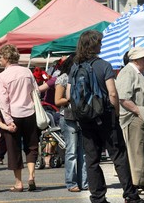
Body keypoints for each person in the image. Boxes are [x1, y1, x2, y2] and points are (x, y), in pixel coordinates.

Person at [66, 30, 144, 203]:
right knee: (119, 156)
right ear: (94, 45)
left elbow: (68, 93)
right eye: (99, 43)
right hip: (105, 116)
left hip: (85, 118)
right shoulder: (104, 65)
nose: (101, 45)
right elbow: (113, 94)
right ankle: (130, 195)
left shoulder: (74, 67)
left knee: (92, 159)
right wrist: (115, 114)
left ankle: (98, 197)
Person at [116, 46, 144, 195]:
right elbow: (123, 98)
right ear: (135, 59)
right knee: (137, 152)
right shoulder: (127, 73)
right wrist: (138, 111)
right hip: (135, 117)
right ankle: (137, 183)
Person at [0, 44, 38, 192]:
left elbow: (3, 101)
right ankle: (31, 176)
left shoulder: (2, 76)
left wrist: (8, 121)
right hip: (29, 112)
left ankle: (18, 182)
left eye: (0, 57)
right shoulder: (27, 71)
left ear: (6, 58)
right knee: (31, 145)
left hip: (13, 114)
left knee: (14, 149)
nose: (0, 59)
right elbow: (36, 91)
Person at [54, 54, 88, 192]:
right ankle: (72, 182)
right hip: (68, 117)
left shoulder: (83, 76)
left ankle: (84, 182)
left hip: (81, 116)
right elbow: (57, 101)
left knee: (83, 152)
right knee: (72, 151)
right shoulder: (63, 78)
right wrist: (73, 99)